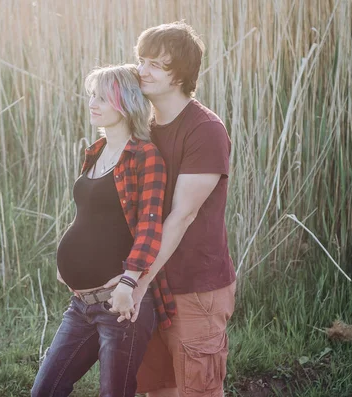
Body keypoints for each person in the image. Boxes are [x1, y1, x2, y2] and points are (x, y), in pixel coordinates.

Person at [31, 64, 175, 397]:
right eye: (92, 96)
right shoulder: (95, 152)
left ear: (125, 103)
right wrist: (67, 260)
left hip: (119, 306)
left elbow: (150, 225)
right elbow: (90, 214)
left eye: (103, 98)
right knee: (45, 391)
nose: (93, 103)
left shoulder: (145, 156)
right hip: (81, 304)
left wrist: (129, 280)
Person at [128, 22, 237, 397]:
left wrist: (137, 282)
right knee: (157, 388)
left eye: (156, 64)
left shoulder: (204, 130)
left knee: (197, 389)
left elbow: (182, 216)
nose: (143, 70)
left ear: (181, 75)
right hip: (152, 284)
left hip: (194, 286)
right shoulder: (142, 128)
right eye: (142, 60)